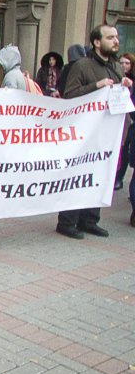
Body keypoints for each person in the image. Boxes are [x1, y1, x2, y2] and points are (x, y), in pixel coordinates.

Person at [57, 25, 133, 240]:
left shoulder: (116, 66)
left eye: (117, 37)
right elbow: (70, 95)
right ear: (97, 42)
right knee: (78, 176)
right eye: (110, 37)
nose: (116, 41)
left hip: (107, 134)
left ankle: (90, 220)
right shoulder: (82, 65)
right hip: (85, 135)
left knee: (100, 176)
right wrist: (97, 85)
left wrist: (125, 85)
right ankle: (67, 221)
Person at [116, 52, 135, 191]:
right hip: (117, 115)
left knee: (126, 147)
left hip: (130, 118)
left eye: (127, 63)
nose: (124, 66)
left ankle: (119, 178)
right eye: (121, 63)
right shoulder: (116, 76)